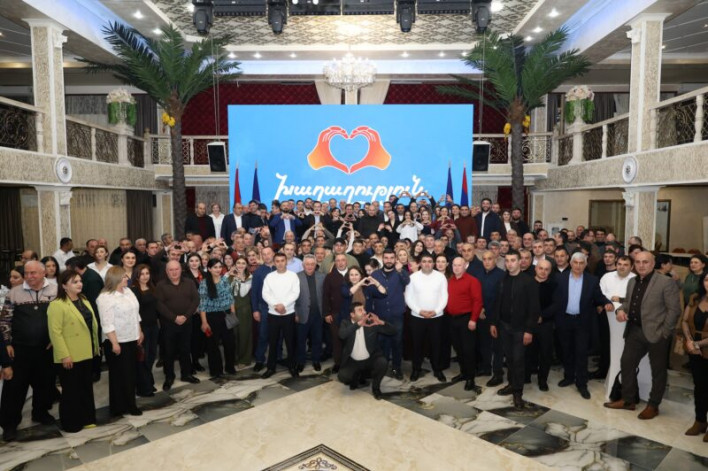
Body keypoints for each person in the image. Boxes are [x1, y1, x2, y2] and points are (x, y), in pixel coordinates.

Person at [604, 251, 681, 419]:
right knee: (626, 363)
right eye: (638, 262)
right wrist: (620, 310)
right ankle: (628, 400)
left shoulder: (665, 282)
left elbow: (674, 310)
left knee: (658, 371)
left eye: (645, 262)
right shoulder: (632, 281)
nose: (641, 265)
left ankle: (653, 405)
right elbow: (628, 303)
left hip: (657, 333)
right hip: (634, 331)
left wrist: (664, 332)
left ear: (653, 263)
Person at [0, 261, 57, 441]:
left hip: (46, 348)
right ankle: (9, 424)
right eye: (26, 273)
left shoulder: (55, 290)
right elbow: (5, 320)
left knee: (44, 383)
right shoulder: (14, 293)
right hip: (19, 349)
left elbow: (60, 317)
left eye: (33, 273)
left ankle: (40, 412)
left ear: (43, 273)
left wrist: (55, 340)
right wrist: (7, 343)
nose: (29, 276)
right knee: (15, 388)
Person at [551, 252, 613, 400]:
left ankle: (581, 383)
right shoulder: (559, 278)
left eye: (581, 263)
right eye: (575, 263)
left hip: (582, 322)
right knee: (566, 351)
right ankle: (568, 377)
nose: (578, 266)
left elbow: (598, 296)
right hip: (564, 320)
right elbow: (552, 297)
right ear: (570, 263)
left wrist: (606, 302)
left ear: (585, 265)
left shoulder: (592, 280)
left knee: (581, 353)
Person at [47, 269, 99, 432]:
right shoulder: (57, 305)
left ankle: (87, 418)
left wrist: (96, 346)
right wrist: (64, 355)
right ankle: (71, 423)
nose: (79, 284)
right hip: (70, 354)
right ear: (64, 286)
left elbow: (91, 325)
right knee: (71, 391)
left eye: (80, 281)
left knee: (85, 387)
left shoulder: (84, 299)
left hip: (87, 351)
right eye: (74, 282)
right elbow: (55, 333)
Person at [490, 250, 540, 409]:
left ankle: (518, 393)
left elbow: (534, 309)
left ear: (520, 262)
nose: (509, 263)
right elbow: (497, 303)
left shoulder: (529, 281)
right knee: (510, 359)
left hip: (521, 329)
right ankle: (512, 384)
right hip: (504, 326)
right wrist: (494, 323)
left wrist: (529, 330)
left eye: (513, 260)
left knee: (518, 360)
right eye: (507, 261)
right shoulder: (502, 280)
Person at [96, 266, 143, 417]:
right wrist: (114, 343)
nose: (127, 279)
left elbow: (136, 313)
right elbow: (107, 322)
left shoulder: (128, 291)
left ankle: (130, 403)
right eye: (124, 277)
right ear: (115, 278)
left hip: (131, 337)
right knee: (118, 375)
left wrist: (139, 331)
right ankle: (118, 407)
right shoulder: (105, 297)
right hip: (116, 340)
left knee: (130, 373)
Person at [155, 261, 201, 390]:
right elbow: (159, 305)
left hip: (187, 322)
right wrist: (174, 318)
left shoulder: (189, 283)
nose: (174, 272)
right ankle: (169, 377)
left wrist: (186, 316)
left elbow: (196, 300)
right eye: (171, 270)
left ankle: (186, 374)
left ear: (181, 270)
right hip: (168, 324)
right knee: (168, 351)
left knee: (185, 349)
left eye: (176, 269)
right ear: (167, 271)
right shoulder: (161, 285)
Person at [337, 302, 397, 400]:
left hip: (370, 359)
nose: (364, 312)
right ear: (352, 314)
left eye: (364, 309)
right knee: (343, 376)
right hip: (353, 361)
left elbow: (393, 331)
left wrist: (381, 322)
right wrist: (358, 324)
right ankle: (357, 376)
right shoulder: (346, 323)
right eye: (360, 310)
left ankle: (376, 388)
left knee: (382, 363)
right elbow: (342, 335)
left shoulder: (370, 323)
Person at [405, 253, 448, 382]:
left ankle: (437, 369)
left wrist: (436, 311)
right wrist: (419, 311)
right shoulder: (413, 277)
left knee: (436, 344)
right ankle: (416, 369)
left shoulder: (441, 277)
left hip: (437, 317)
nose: (427, 264)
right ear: (420, 263)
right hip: (417, 317)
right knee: (417, 344)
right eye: (424, 261)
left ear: (433, 263)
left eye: (430, 261)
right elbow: (408, 297)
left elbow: (444, 296)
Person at [370, 249, 410, 380]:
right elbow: (371, 292)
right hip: (380, 314)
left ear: (395, 259)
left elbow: (407, 281)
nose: (388, 260)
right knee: (382, 343)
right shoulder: (375, 274)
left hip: (396, 314)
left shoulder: (400, 273)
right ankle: (383, 367)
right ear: (382, 259)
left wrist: (400, 270)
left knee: (397, 342)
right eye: (386, 258)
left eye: (391, 258)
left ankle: (396, 368)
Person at [446, 257, 483, 392]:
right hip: (452, 319)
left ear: (465, 266)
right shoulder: (450, 281)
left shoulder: (472, 281)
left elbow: (478, 301)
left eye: (459, 265)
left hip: (466, 319)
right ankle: (463, 373)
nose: (456, 268)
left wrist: (473, 319)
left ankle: (470, 379)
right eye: (454, 265)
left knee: (468, 350)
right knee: (458, 349)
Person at [261, 253, 300, 378]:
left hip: (288, 313)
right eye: (277, 261)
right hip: (273, 314)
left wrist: (284, 305)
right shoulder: (269, 277)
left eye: (282, 260)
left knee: (290, 342)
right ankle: (271, 368)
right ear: (274, 262)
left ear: (286, 262)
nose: (280, 263)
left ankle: (292, 366)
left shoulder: (293, 276)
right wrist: (276, 305)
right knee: (273, 342)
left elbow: (295, 293)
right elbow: (265, 294)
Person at [469, 251, 505, 386]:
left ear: (495, 259)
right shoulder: (477, 274)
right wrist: (479, 309)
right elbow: (473, 294)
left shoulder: (502, 275)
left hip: (496, 316)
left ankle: (498, 374)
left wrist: (491, 313)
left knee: (497, 347)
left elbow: (501, 299)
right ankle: (486, 368)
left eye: (490, 259)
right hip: (481, 315)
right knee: (484, 343)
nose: (487, 261)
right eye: (484, 259)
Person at [198, 259, 237, 378]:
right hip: (212, 317)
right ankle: (216, 370)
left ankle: (230, 367)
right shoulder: (204, 283)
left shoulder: (225, 280)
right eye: (215, 267)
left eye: (220, 267)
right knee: (213, 345)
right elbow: (202, 304)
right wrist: (204, 322)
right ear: (209, 269)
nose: (218, 269)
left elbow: (230, 298)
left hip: (226, 314)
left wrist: (233, 314)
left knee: (230, 343)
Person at [681, 272, 708, 440]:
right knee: (699, 386)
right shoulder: (695, 298)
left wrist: (698, 344)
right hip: (694, 349)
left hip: (703, 346)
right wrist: (690, 341)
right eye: (707, 279)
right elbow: (684, 321)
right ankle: (700, 420)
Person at [527, 260, 556, 391]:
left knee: (545, 353)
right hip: (528, 323)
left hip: (546, 324)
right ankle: (526, 375)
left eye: (546, 269)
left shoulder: (554, 285)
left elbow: (556, 304)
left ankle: (542, 380)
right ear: (535, 269)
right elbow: (522, 303)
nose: (543, 271)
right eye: (541, 268)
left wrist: (542, 316)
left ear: (550, 271)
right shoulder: (527, 283)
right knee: (528, 351)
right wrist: (532, 317)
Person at [131, 264, 159, 397]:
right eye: (142, 274)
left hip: (153, 326)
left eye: (147, 273)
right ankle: (143, 387)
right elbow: (134, 313)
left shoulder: (152, 287)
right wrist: (139, 330)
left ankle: (148, 381)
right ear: (136, 275)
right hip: (142, 328)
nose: (145, 276)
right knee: (144, 357)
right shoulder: (134, 290)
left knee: (152, 355)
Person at [294, 255, 326, 372]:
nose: (310, 266)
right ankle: (300, 361)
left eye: (312, 264)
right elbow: (292, 297)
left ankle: (316, 360)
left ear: (315, 265)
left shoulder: (322, 276)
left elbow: (325, 295)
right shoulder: (296, 277)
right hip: (302, 314)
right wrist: (295, 313)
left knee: (317, 339)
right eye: (307, 264)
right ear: (303, 265)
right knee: (301, 340)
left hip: (318, 314)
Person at [323, 253, 349, 373]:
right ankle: (338, 362)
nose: (340, 262)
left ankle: (350, 362)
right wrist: (326, 313)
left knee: (350, 339)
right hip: (335, 313)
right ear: (335, 263)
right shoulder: (330, 277)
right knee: (336, 339)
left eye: (343, 260)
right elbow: (325, 296)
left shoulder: (353, 274)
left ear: (346, 261)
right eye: (338, 260)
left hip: (351, 313)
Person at [228, 256, 253, 368]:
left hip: (244, 309)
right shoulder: (229, 276)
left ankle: (244, 359)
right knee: (233, 334)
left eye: (243, 263)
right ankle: (234, 358)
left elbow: (242, 293)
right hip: (231, 308)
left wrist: (240, 279)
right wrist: (229, 274)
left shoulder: (249, 276)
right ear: (235, 264)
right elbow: (225, 289)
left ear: (246, 265)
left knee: (244, 334)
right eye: (238, 263)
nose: (241, 265)